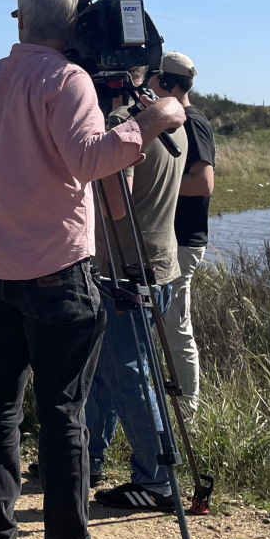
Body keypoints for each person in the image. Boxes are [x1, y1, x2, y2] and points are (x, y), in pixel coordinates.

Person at [0, 0, 184, 539]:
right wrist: (156, 118)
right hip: (56, 272)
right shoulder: (68, 81)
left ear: (19, 20)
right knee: (63, 412)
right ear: (75, 27)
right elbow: (90, 161)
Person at [87, 75, 186, 512]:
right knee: (110, 371)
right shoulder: (167, 116)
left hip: (126, 271)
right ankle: (86, 458)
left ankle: (156, 478)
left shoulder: (123, 124)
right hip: (160, 264)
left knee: (129, 376)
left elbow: (115, 201)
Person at [150, 52, 214, 417]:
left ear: (170, 83)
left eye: (156, 79)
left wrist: (160, 185)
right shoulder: (178, 119)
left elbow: (204, 183)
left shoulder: (191, 121)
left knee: (175, 326)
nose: (150, 85)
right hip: (173, 240)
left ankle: (187, 411)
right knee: (169, 323)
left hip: (183, 241)